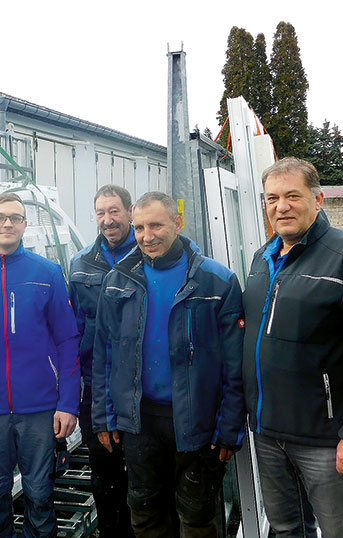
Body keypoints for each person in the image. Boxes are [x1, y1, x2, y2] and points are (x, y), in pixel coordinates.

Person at [242, 157, 343, 538]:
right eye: (272, 198)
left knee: (342, 530)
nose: (282, 206)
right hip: (267, 433)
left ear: (318, 198)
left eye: (293, 195)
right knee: (286, 528)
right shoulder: (262, 260)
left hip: (327, 440)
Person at [93, 191, 246, 537]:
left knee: (195, 514)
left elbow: (234, 365)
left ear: (178, 223)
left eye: (157, 225)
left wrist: (229, 426)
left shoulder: (216, 281)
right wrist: (103, 416)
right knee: (145, 510)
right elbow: (104, 354)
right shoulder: (118, 280)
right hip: (140, 420)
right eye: (140, 227)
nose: (147, 236)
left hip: (197, 421)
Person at [0, 191, 80, 538]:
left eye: (14, 217)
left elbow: (68, 340)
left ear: (25, 224)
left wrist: (68, 403)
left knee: (40, 495)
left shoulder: (47, 273)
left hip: (40, 408)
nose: (7, 223)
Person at [68, 184, 136, 538]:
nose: (108, 220)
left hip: (141, 386)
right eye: (101, 213)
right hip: (95, 386)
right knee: (105, 475)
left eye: (114, 211)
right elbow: (73, 328)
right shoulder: (81, 263)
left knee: (143, 477)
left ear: (129, 211)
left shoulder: (148, 253)